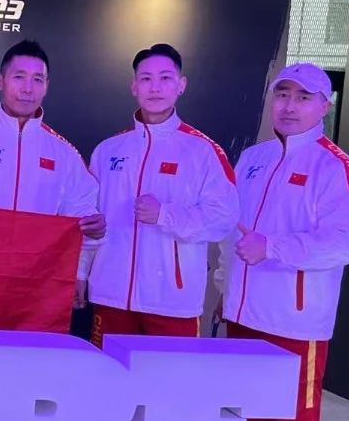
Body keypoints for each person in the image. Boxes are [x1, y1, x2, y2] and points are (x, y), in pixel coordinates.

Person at [220, 63, 349, 421]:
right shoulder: (253, 158)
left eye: (304, 97)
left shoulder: (335, 166)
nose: (289, 106)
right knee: (251, 418)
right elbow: (234, 232)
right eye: (282, 95)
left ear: (325, 106)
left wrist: (275, 248)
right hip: (245, 315)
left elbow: (344, 243)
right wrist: (226, 285)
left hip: (296, 323)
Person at [88, 42, 238, 344]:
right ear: (134, 87)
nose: (155, 87)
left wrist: (165, 215)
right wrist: (81, 272)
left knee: (170, 376)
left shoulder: (203, 151)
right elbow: (87, 219)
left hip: (172, 303)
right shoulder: (108, 150)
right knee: (108, 374)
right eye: (146, 79)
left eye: (165, 78)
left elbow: (224, 219)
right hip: (111, 295)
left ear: (181, 85)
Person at [0, 39, 106, 307]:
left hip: (36, 289)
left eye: (37, 79)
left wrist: (80, 270)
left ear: (47, 86)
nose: (28, 89)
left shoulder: (64, 153)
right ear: (0, 81)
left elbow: (81, 220)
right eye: (19, 77)